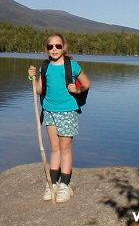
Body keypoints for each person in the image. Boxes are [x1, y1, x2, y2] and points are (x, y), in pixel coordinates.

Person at [28, 33, 91, 203]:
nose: (54, 49)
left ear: (64, 47)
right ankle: (53, 184)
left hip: (67, 111)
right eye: (50, 47)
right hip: (49, 111)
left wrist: (77, 90)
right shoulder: (45, 67)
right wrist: (32, 77)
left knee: (65, 149)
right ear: (46, 49)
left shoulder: (72, 66)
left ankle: (65, 186)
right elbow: (39, 90)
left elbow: (86, 83)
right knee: (54, 149)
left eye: (58, 46)